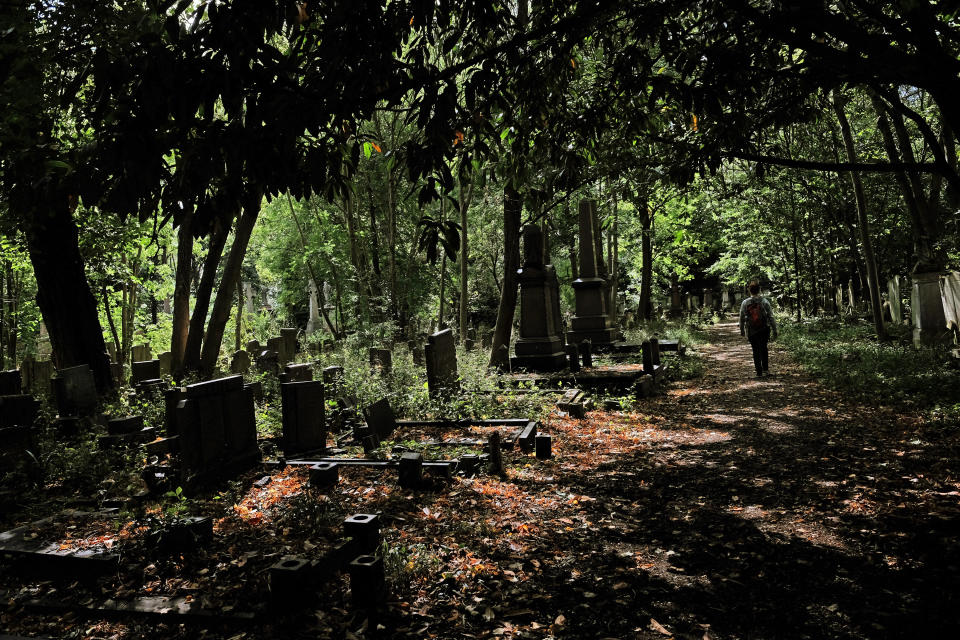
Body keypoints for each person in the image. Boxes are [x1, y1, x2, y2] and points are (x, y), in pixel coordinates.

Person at [739, 281, 778, 377]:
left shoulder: (745, 302)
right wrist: (775, 329)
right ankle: (765, 370)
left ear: (749, 290)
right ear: (759, 290)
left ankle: (758, 371)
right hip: (764, 328)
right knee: (764, 348)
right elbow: (771, 317)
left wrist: (742, 330)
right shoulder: (764, 301)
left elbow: (741, 317)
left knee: (755, 350)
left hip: (752, 330)